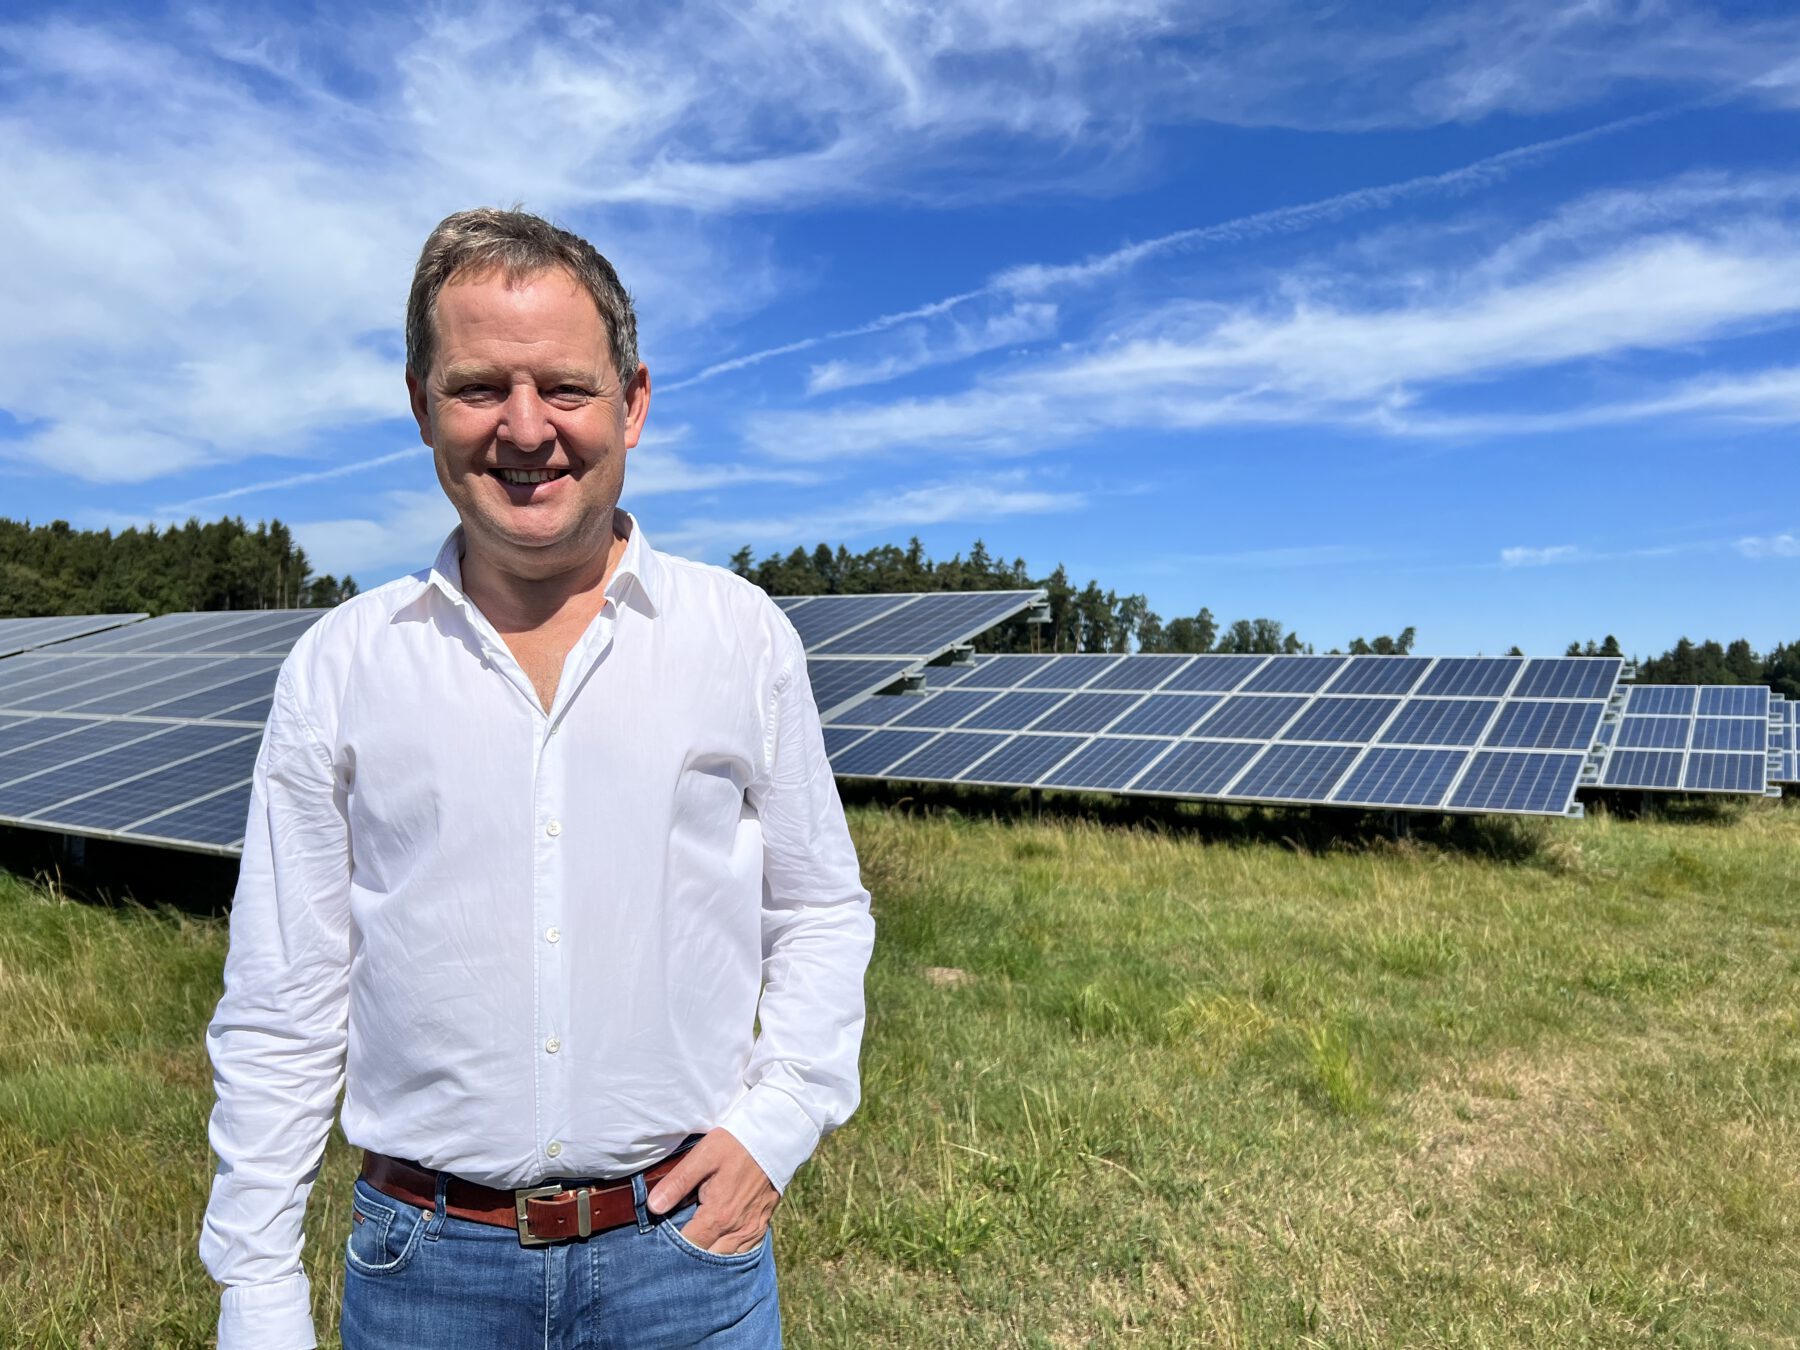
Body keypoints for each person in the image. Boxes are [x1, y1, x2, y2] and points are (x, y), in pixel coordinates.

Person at [199, 207, 875, 1349]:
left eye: (563, 386)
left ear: (634, 401)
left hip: (686, 1265)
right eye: (477, 388)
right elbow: (284, 997)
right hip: (425, 1273)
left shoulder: (741, 638)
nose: (525, 429)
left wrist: (781, 1120)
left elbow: (817, 907)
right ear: (421, 405)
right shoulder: (343, 664)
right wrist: (256, 1292)